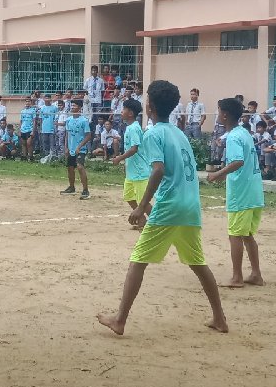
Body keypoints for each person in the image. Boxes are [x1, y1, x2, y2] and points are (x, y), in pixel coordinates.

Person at [97, 80, 228, 336]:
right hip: (191, 204)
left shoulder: (154, 133)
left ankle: (120, 319)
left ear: (150, 105)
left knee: (138, 260)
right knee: (199, 264)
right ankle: (220, 318)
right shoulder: (178, 133)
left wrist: (141, 207)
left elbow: (158, 169)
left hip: (170, 205)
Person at [207, 97, 265, 287]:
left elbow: (238, 161)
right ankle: (255, 274)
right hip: (253, 190)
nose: (217, 114)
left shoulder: (233, 136)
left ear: (224, 115)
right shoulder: (243, 133)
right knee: (247, 235)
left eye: (218, 111)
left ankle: (237, 277)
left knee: (235, 235)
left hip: (242, 192)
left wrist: (218, 174)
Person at [111, 99, 151, 229]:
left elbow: (134, 148)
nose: (121, 112)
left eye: (124, 109)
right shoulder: (130, 127)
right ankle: (142, 220)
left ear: (130, 113)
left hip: (139, 171)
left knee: (143, 202)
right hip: (132, 171)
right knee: (128, 196)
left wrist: (119, 158)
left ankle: (159, 222)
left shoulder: (134, 128)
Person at [62, 102, 92, 199]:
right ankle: (71, 187)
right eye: (72, 105)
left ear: (79, 108)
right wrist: (66, 147)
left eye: (74, 106)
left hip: (80, 149)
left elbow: (88, 136)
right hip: (71, 148)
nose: (72, 107)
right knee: (70, 167)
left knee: (79, 167)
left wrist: (80, 146)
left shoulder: (84, 120)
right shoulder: (69, 120)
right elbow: (67, 134)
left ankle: (85, 190)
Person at [38, 97, 58, 162]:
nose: (47, 100)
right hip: (44, 129)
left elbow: (56, 118)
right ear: (44, 99)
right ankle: (46, 157)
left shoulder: (54, 108)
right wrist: (41, 128)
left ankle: (53, 157)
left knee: (52, 143)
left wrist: (55, 127)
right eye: (45, 98)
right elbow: (40, 118)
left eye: (48, 98)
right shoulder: (42, 108)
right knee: (45, 143)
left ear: (50, 99)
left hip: (52, 129)